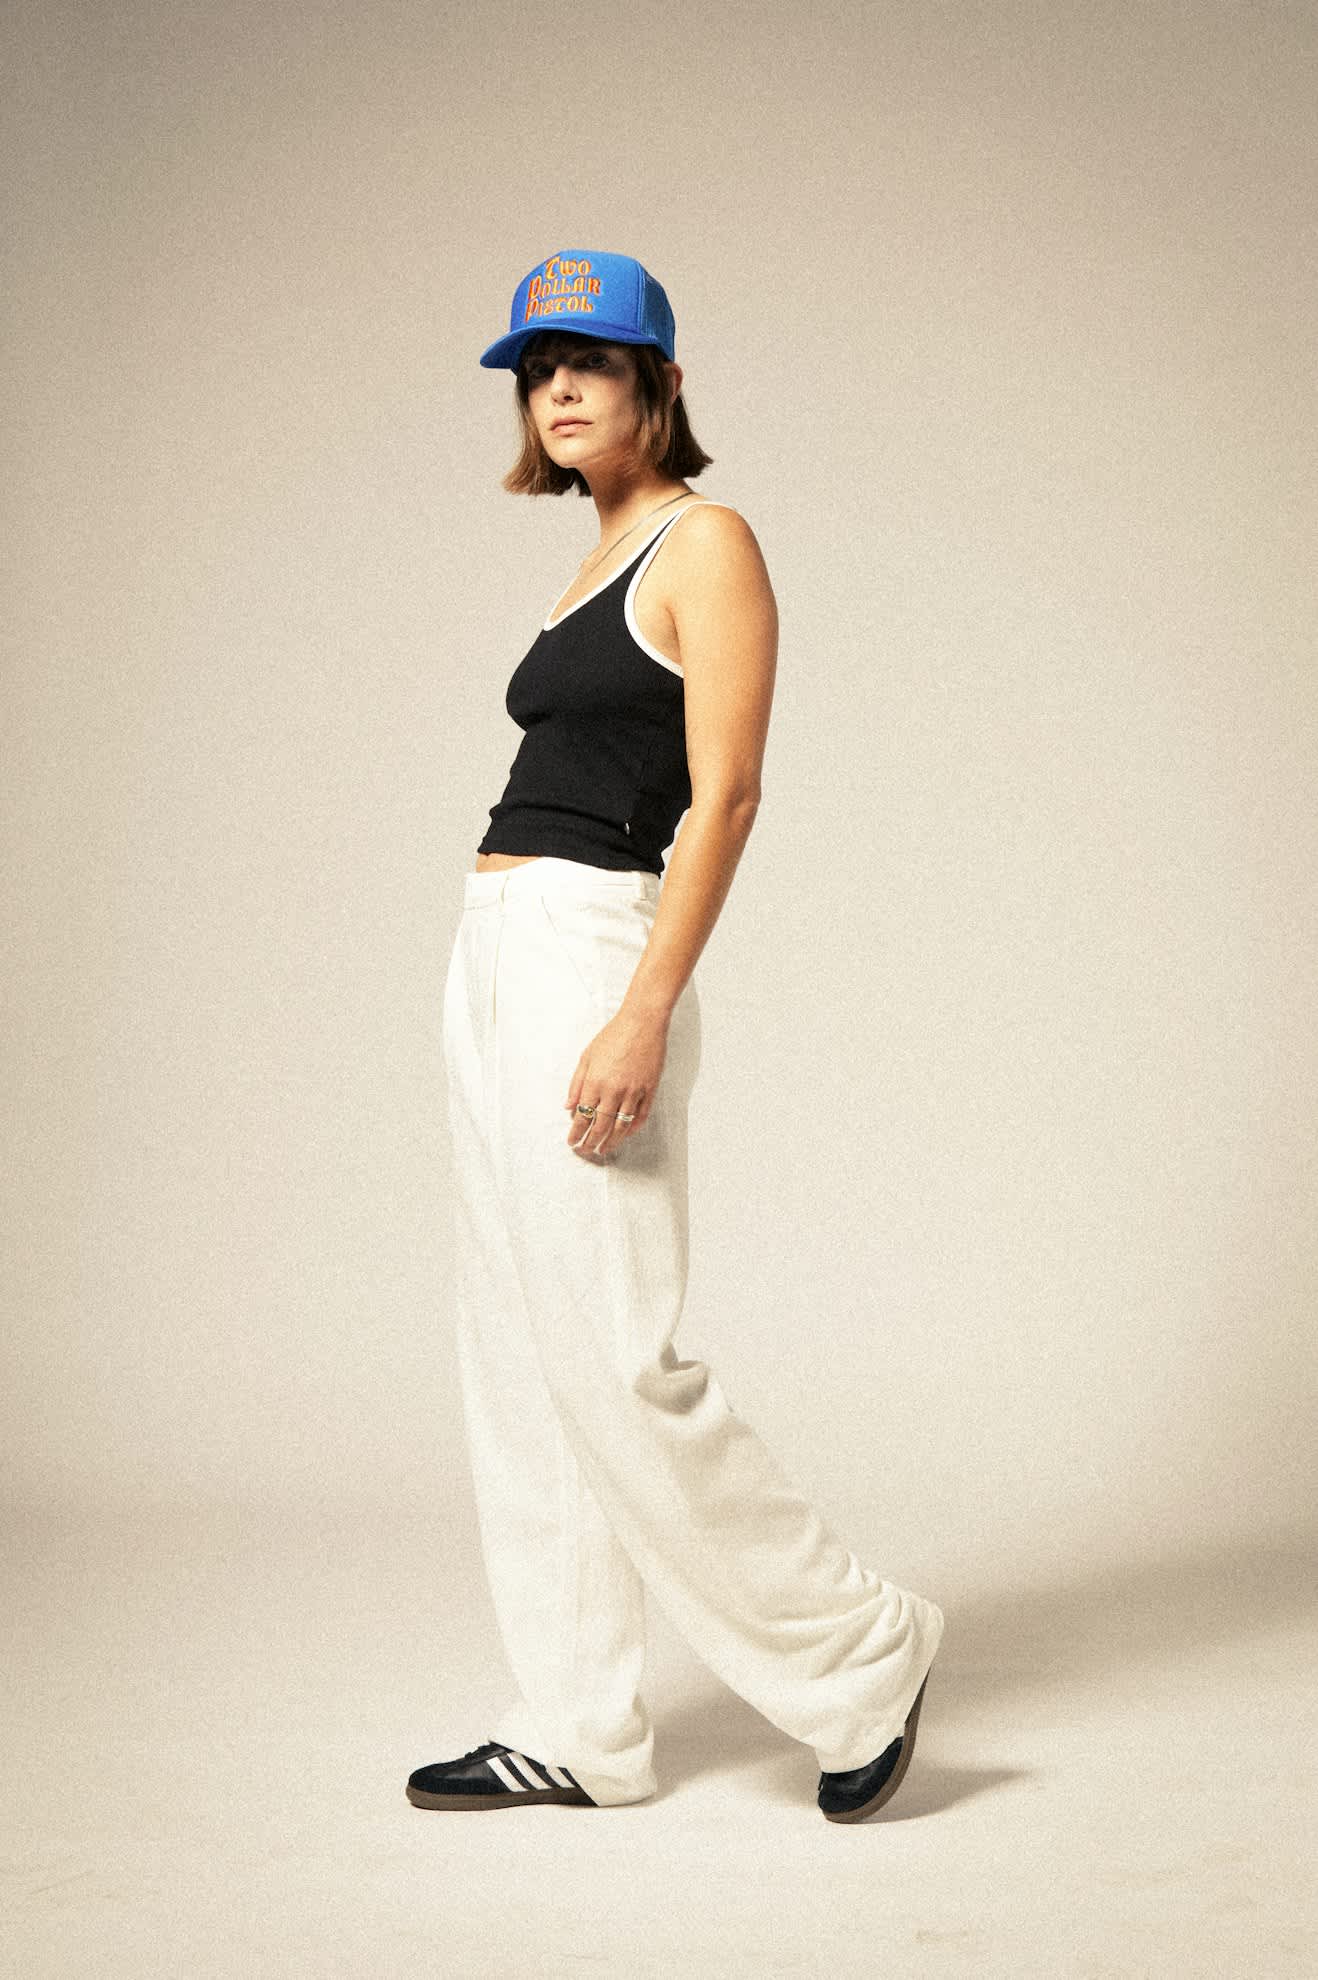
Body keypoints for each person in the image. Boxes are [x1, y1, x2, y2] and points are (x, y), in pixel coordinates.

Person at [406, 249, 945, 1823]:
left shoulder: (704, 543)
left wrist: (638, 1008)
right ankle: (578, 1724)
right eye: (536, 369)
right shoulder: (593, 558)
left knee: (614, 1350)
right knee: (524, 1353)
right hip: (498, 946)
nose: (558, 390)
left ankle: (860, 1647)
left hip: (592, 948)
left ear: (661, 381)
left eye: (589, 361)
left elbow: (727, 796)